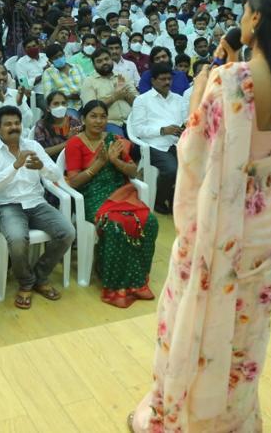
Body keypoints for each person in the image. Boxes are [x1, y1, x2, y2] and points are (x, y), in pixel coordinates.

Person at [131, 0, 271, 432]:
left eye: (245, 11)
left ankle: (185, 417)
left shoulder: (234, 80)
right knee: (247, 327)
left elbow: (193, 145)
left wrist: (204, 80)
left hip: (227, 223)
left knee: (197, 314)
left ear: (255, 18)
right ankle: (233, 417)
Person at [0, 106, 75, 309]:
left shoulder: (32, 145)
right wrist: (15, 166)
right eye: (8, 124)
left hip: (37, 203)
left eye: (17, 123)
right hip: (8, 206)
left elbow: (56, 176)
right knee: (16, 239)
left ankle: (40, 277)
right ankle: (26, 282)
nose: (14, 127)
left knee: (67, 232)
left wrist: (42, 166)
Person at [64, 100, 157, 308]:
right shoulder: (74, 144)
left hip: (120, 191)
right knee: (116, 225)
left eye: (102, 116)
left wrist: (116, 162)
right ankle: (116, 284)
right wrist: (97, 165)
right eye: (93, 116)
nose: (98, 121)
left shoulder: (115, 140)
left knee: (149, 221)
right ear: (83, 119)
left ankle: (137, 281)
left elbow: (133, 172)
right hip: (92, 196)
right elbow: (74, 182)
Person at [129, 63, 189, 214]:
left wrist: (183, 130)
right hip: (153, 144)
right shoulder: (142, 100)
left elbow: (186, 121)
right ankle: (159, 201)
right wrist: (163, 130)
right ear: (153, 81)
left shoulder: (179, 99)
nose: (167, 82)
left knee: (192, 165)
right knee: (171, 169)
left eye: (169, 79)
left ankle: (177, 200)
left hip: (177, 142)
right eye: (162, 79)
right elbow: (138, 130)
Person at [80, 47, 136, 129]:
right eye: (99, 61)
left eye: (106, 59)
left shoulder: (123, 77)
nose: (104, 62)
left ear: (111, 59)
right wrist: (114, 97)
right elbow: (90, 110)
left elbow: (138, 103)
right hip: (108, 123)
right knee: (120, 141)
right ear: (94, 65)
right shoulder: (89, 82)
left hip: (132, 120)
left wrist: (125, 94)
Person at [32, 90, 83, 160]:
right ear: (48, 108)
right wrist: (68, 142)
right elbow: (40, 152)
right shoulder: (41, 125)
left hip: (73, 160)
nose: (60, 107)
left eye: (63, 103)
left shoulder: (74, 122)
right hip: (50, 163)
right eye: (56, 104)